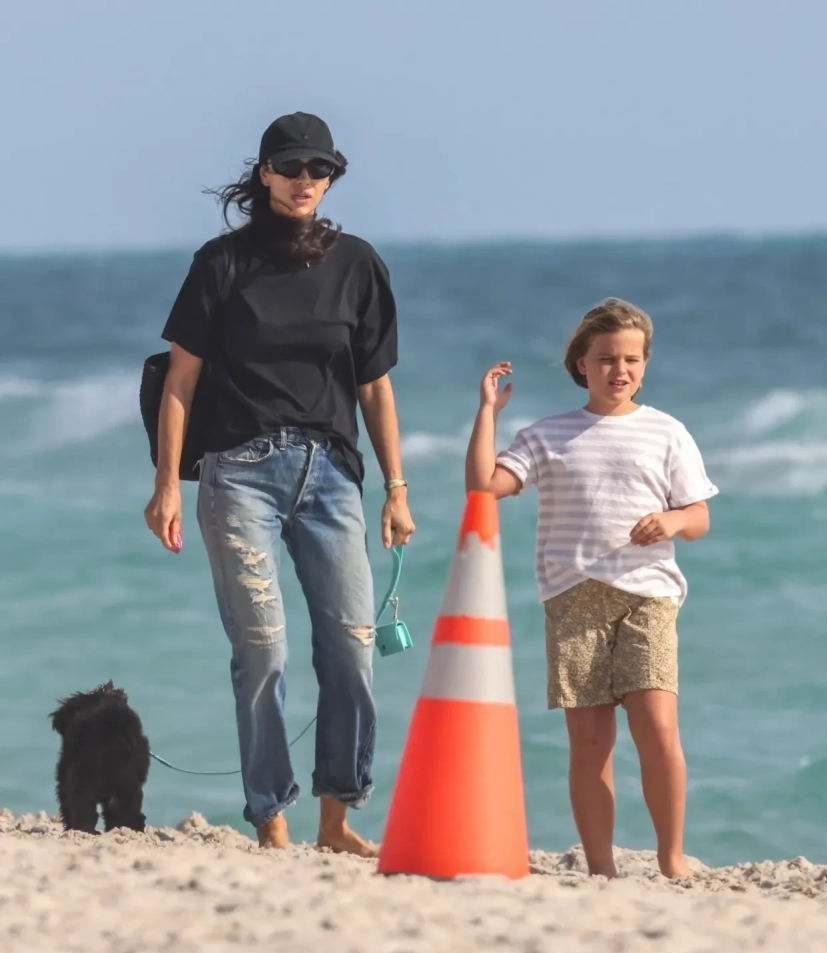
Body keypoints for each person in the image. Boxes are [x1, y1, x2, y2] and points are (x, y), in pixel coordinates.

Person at [144, 111, 415, 856]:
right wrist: (167, 484)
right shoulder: (221, 263)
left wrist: (396, 487)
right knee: (263, 649)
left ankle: (338, 817)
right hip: (240, 474)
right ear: (264, 173)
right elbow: (179, 381)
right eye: (291, 167)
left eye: (318, 170)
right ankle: (270, 818)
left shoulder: (357, 265)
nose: (305, 181)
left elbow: (375, 387)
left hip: (332, 475)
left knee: (352, 649)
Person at [464, 298, 718, 879]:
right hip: (573, 597)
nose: (619, 370)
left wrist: (672, 521)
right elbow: (482, 487)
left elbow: (699, 517)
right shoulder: (547, 435)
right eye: (606, 359)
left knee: (658, 728)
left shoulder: (667, 432)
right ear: (582, 364)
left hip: (648, 595)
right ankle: (601, 868)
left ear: (645, 365)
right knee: (590, 743)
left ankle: (672, 858)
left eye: (631, 359)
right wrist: (487, 413)